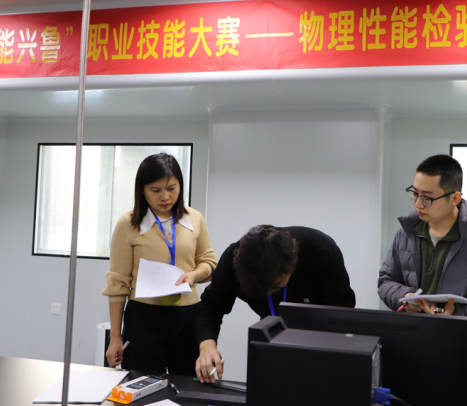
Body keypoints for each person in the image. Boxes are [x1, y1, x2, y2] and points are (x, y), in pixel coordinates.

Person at [378, 154, 467, 406]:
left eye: (427, 197)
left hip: (459, 372)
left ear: (454, 198)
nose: (418, 203)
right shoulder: (405, 233)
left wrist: (455, 316)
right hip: (409, 363)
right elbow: (386, 280)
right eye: (414, 193)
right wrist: (405, 297)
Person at [102, 153, 217, 376]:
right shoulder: (128, 223)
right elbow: (117, 284)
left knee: (187, 384)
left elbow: (209, 261)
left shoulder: (194, 219)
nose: (165, 196)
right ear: (142, 190)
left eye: (172, 188)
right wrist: (115, 336)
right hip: (144, 317)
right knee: (141, 382)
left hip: (188, 314)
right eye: (155, 190)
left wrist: (194, 275)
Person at [194, 225, 356, 382]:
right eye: (260, 289)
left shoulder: (320, 252)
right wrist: (207, 346)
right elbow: (210, 307)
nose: (269, 293)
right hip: (272, 345)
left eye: (276, 286)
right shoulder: (234, 260)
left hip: (319, 342)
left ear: (291, 268)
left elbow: (341, 315)